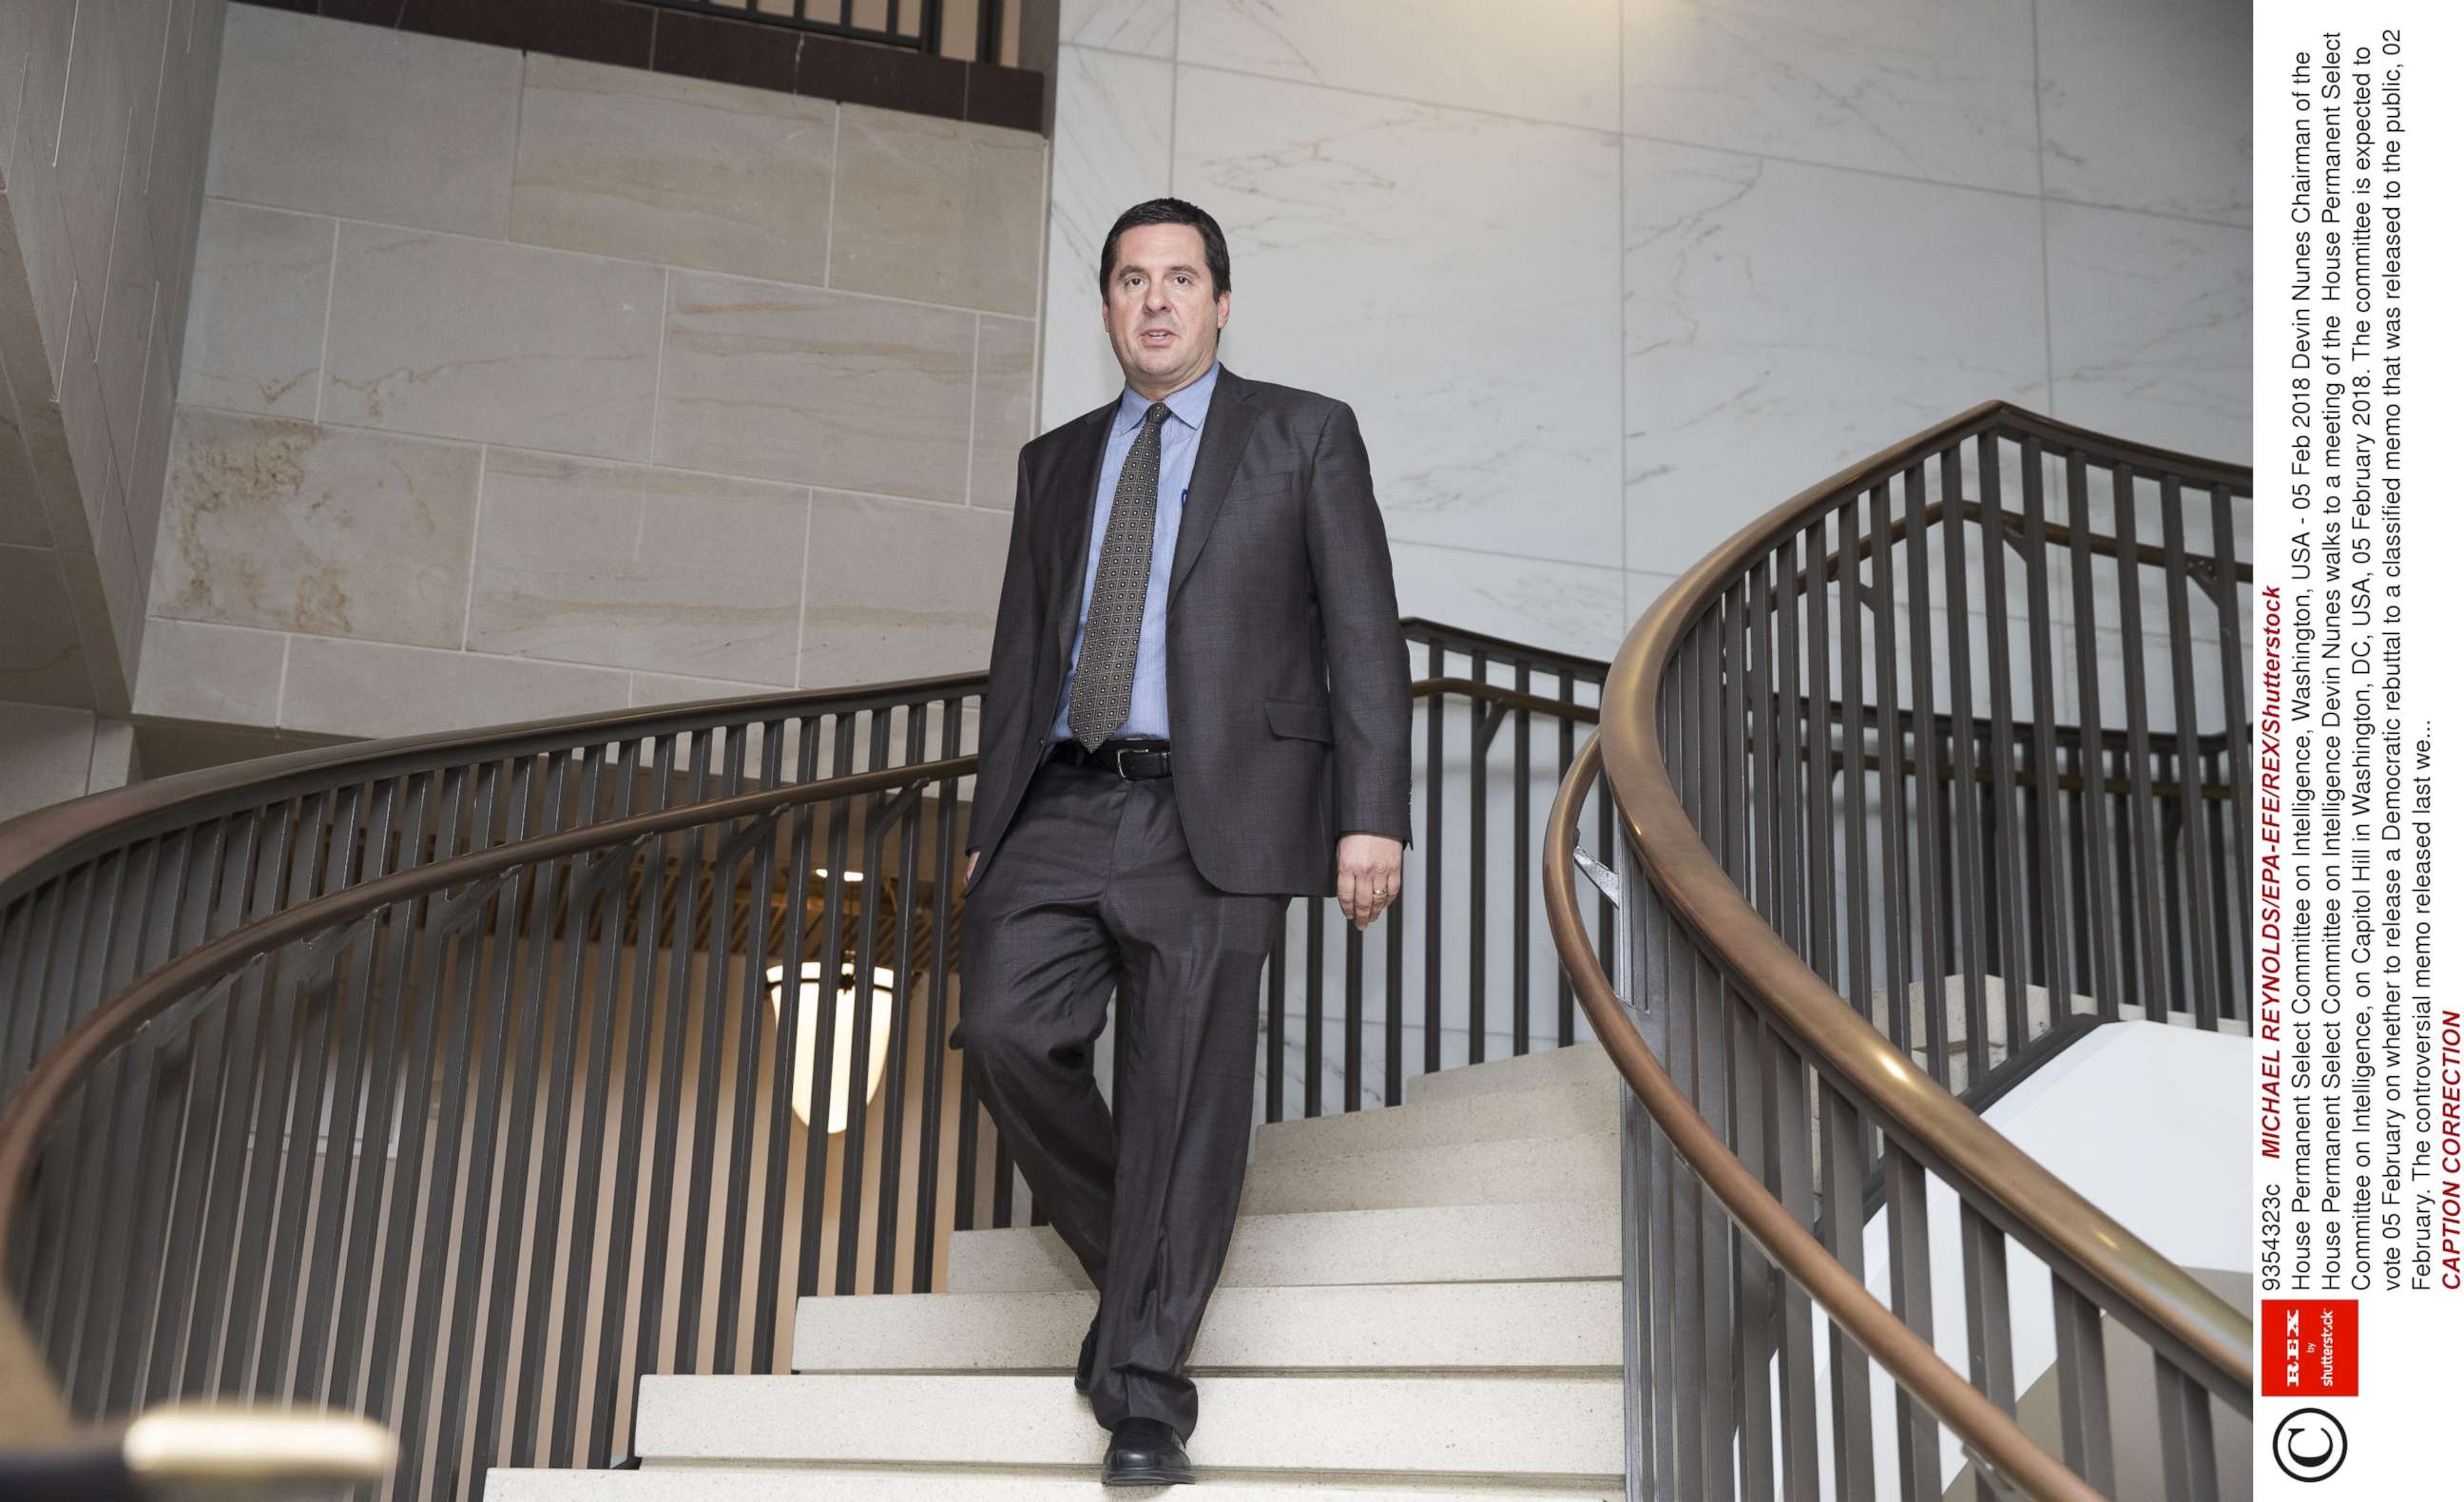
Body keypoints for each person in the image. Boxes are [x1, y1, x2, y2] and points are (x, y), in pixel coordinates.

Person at [948, 197, 1412, 1486]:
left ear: (1220, 303)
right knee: (1000, 1026)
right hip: (1063, 793)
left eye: (1181, 278)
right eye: (1131, 279)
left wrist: (1373, 813)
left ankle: (1143, 1394)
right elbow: (1015, 659)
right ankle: (1143, 1263)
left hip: (1222, 809)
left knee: (1184, 1090)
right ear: (1105, 305)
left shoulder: (1304, 436)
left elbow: (1364, 633)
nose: (1156, 300)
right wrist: (992, 827)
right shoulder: (1056, 462)